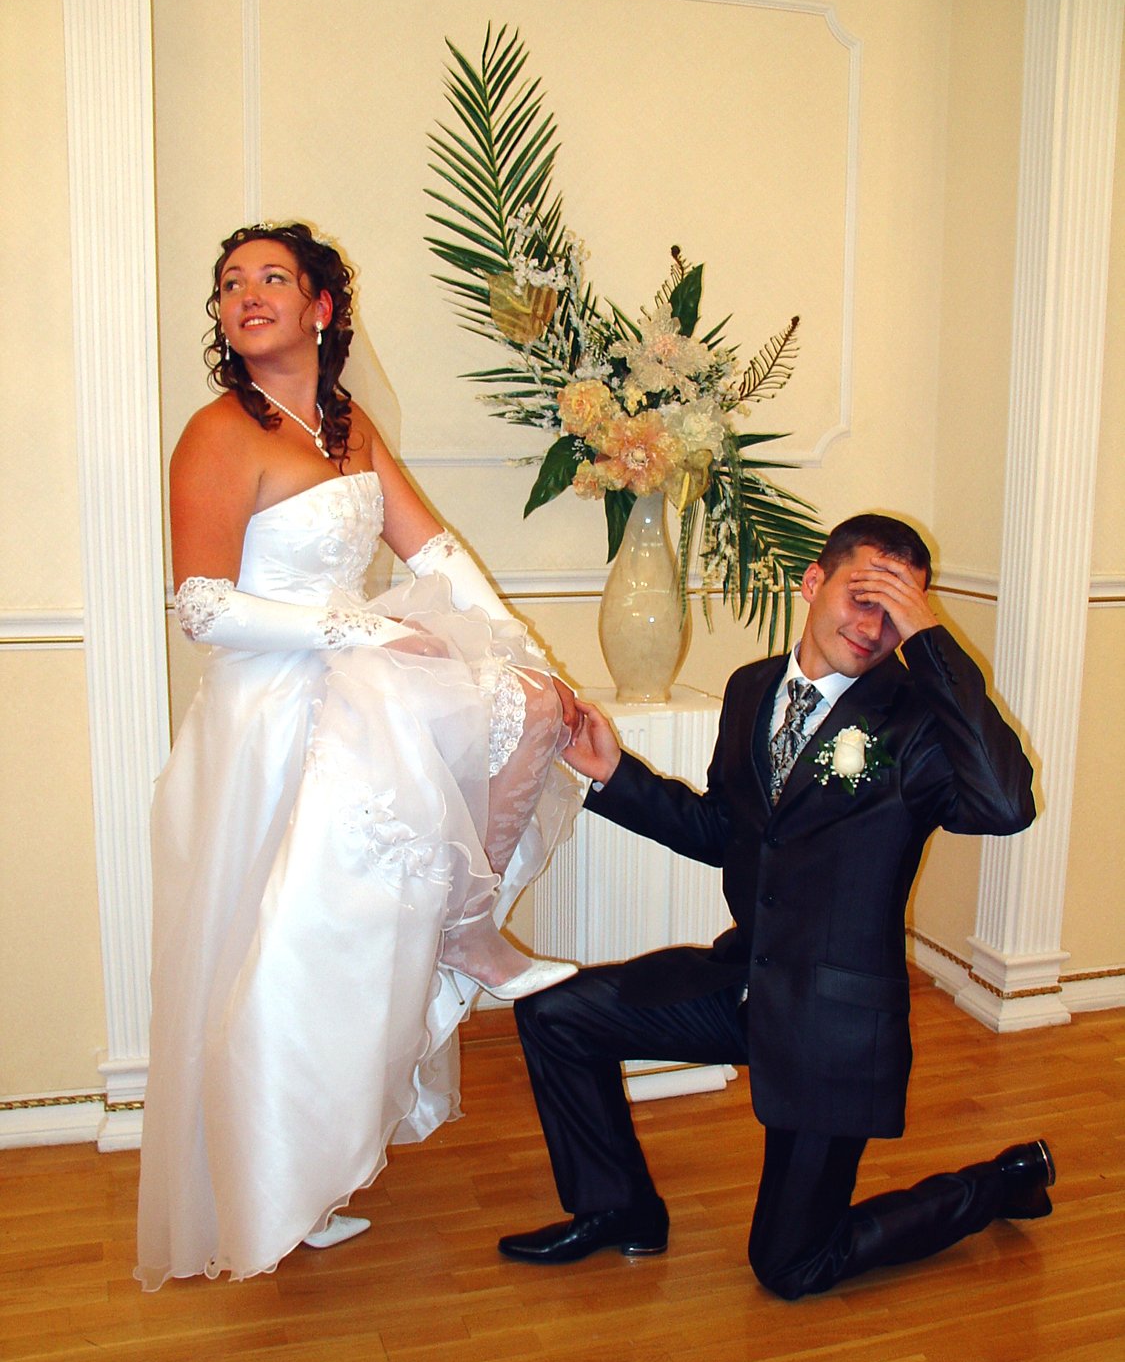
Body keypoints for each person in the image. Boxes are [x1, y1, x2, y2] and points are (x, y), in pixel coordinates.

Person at [135, 222, 581, 1290]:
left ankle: (460, 937)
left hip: (357, 691)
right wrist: (361, 629)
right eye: (230, 283)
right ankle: (271, 1188)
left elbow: (440, 557)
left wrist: (537, 665)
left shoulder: (348, 425)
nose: (247, 294)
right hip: (270, 710)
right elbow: (201, 607)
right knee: (290, 956)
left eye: (271, 278)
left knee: (522, 716)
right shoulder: (218, 432)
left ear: (321, 307)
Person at [497, 514, 1054, 1299]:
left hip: (833, 1024)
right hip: (745, 982)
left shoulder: (916, 721)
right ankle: (619, 1208)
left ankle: (998, 1183)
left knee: (792, 1265)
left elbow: (1003, 805)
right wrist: (614, 775)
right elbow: (725, 832)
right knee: (556, 1014)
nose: (874, 627)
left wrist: (930, 643)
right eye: (863, 597)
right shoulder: (751, 688)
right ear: (812, 581)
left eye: (897, 611)